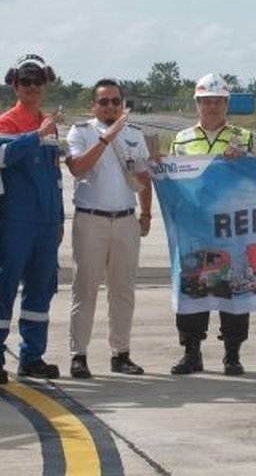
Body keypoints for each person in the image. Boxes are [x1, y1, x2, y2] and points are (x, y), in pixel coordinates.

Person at [0, 54, 65, 384]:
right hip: (15, 220)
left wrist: (58, 219)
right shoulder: (7, 122)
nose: (31, 87)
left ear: (45, 84)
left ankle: (32, 356)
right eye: (25, 81)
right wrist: (34, 136)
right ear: (14, 84)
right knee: (1, 288)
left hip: (46, 223)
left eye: (37, 81)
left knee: (40, 293)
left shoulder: (49, 123)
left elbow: (55, 177)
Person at [65, 78, 152, 380]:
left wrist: (147, 214)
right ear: (94, 105)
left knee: (123, 290)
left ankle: (121, 353)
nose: (110, 107)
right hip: (91, 219)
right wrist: (106, 138)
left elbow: (142, 176)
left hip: (125, 219)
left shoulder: (135, 134)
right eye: (104, 102)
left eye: (116, 101)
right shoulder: (81, 132)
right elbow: (78, 167)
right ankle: (79, 354)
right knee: (85, 288)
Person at [168, 74, 254, 376]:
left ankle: (233, 354)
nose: (212, 106)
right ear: (197, 104)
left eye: (218, 101)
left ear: (226, 104)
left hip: (233, 228)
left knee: (234, 290)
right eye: (206, 101)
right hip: (196, 227)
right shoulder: (182, 139)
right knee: (195, 290)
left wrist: (244, 160)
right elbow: (172, 182)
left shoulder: (244, 137)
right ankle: (192, 352)